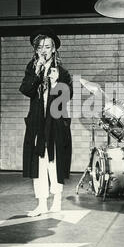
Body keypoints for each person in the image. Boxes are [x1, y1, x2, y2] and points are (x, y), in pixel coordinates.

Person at [20, 28, 73, 217]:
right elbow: (26, 90)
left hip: (56, 123)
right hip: (37, 123)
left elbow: (67, 97)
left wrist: (57, 83)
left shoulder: (62, 71)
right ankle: (41, 204)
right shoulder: (31, 67)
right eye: (40, 47)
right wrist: (36, 72)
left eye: (47, 46)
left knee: (54, 162)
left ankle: (57, 202)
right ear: (36, 50)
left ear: (54, 50)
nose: (44, 50)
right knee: (39, 163)